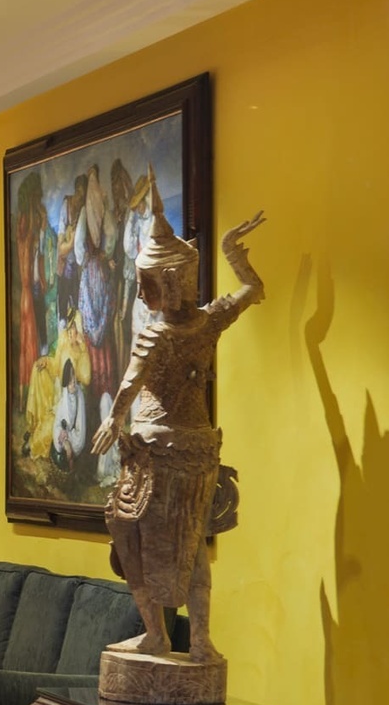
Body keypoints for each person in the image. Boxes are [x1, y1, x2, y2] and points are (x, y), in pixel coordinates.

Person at [90, 201, 265, 664]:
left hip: (155, 453)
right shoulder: (210, 322)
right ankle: (200, 640)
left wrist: (114, 419)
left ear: (163, 284)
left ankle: (157, 635)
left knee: (130, 538)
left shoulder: (156, 335)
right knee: (192, 543)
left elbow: (130, 380)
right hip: (199, 450)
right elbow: (251, 288)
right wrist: (232, 254)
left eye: (149, 283)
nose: (147, 292)